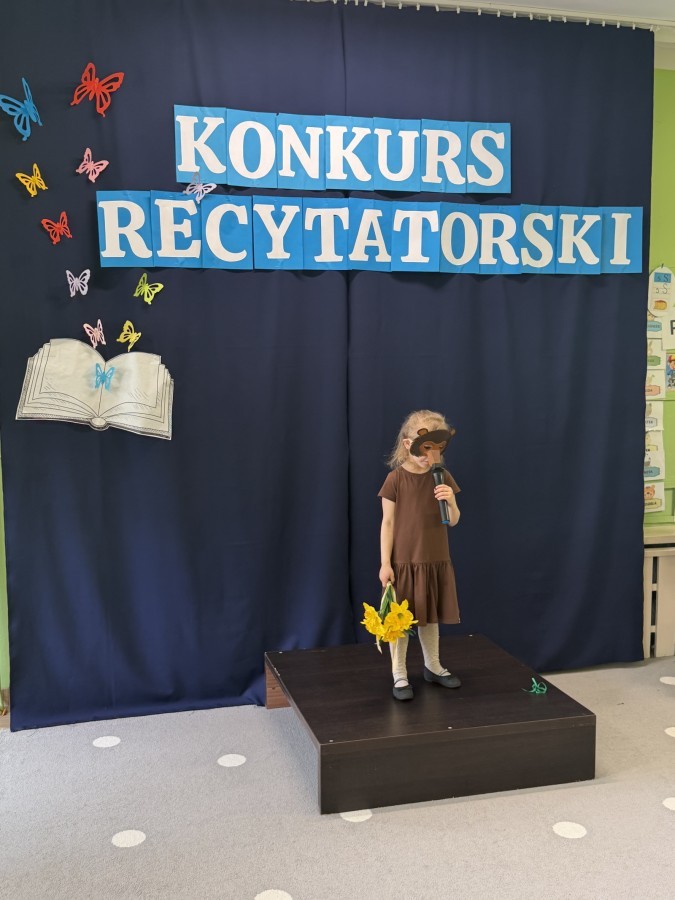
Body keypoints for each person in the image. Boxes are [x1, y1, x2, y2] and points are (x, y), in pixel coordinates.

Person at [378, 409, 461, 701]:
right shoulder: (395, 479)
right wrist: (385, 563)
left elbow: (453, 520)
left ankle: (433, 665)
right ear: (407, 445)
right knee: (400, 620)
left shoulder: (442, 477)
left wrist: (451, 502)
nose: (430, 456)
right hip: (404, 562)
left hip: (434, 560)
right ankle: (399, 673)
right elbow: (388, 523)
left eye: (437, 448)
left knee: (430, 616)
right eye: (425, 448)